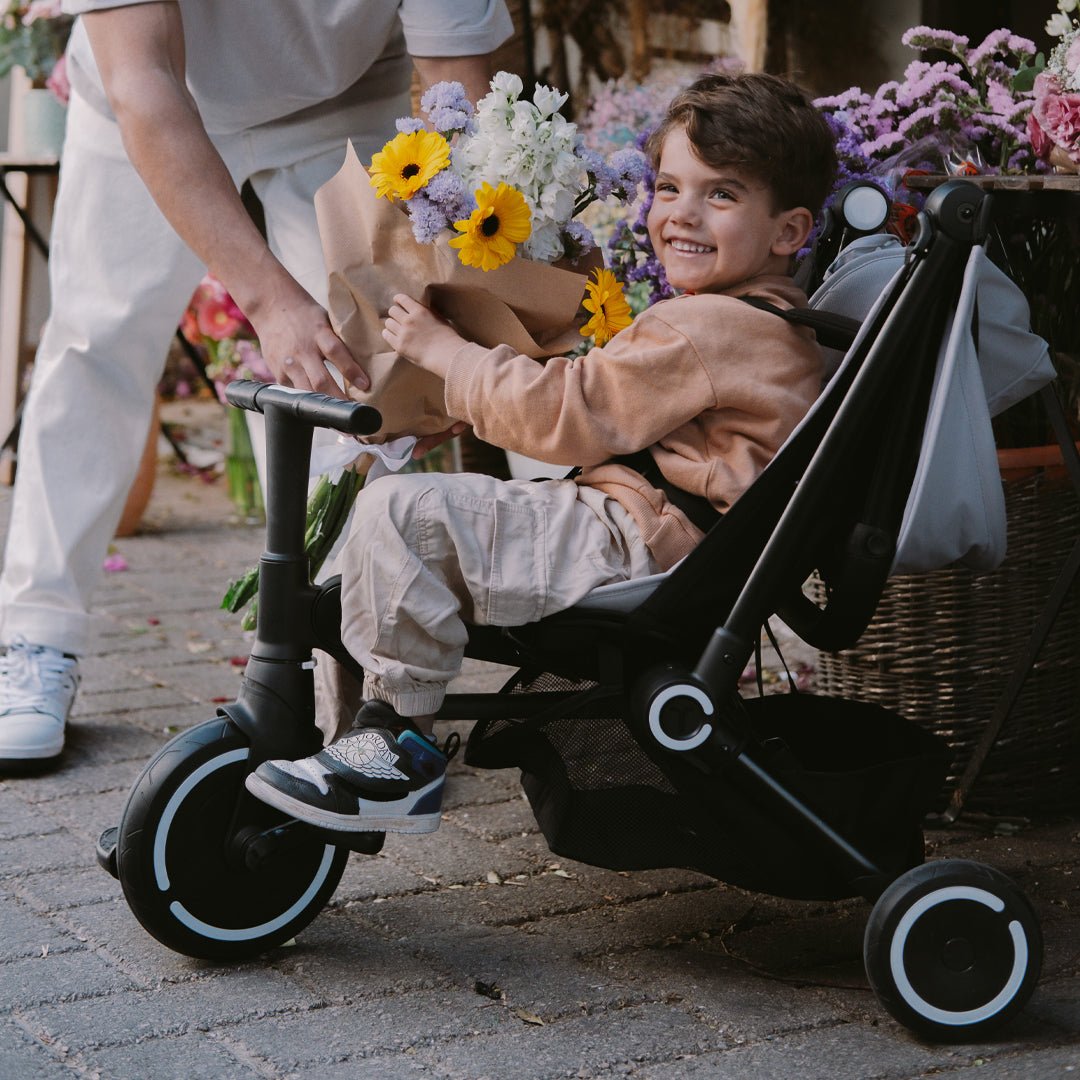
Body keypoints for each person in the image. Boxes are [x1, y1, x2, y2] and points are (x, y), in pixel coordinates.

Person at [244, 71, 839, 835]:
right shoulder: (744, 320)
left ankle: (396, 744)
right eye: (666, 187)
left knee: (404, 512)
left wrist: (450, 357)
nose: (680, 214)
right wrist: (468, 393)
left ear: (788, 232)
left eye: (720, 195)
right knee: (408, 528)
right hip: (649, 530)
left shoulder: (716, 327)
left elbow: (574, 411)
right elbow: (604, 400)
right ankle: (370, 741)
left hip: (638, 544)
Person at [0, 0, 513, 767]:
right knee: (95, 344)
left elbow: (459, 99)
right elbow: (145, 85)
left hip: (339, 101)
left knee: (360, 377)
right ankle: (34, 634)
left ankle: (351, 661)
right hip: (151, 97)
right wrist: (270, 299)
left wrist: (463, 310)